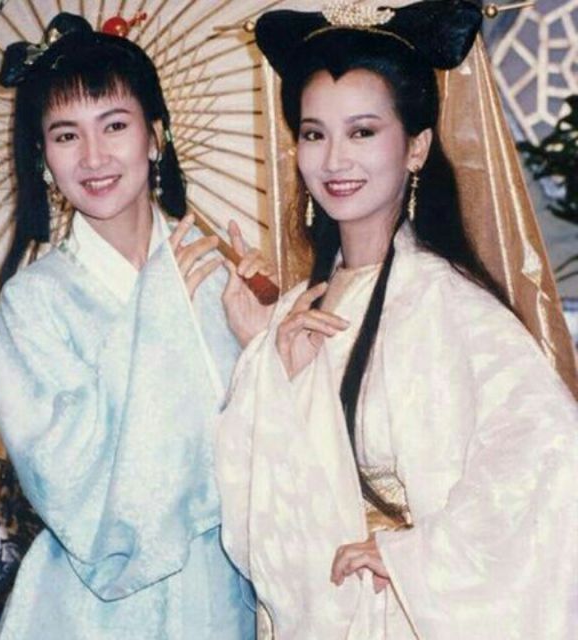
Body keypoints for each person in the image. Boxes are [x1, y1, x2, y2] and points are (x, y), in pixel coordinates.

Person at [216, 2, 578, 639]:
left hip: (407, 614)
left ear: (417, 146)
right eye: (314, 134)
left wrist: (414, 555)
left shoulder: (451, 305)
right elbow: (256, 505)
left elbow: (550, 457)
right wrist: (267, 364)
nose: (334, 160)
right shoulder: (300, 308)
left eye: (362, 132)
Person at [0, 12, 267, 639]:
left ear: (155, 136)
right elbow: (66, 478)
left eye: (114, 125)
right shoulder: (33, 304)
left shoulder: (221, 276)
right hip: (92, 606)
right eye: (66, 135)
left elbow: (272, 455)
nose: (93, 157)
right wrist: (160, 312)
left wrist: (264, 351)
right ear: (43, 158)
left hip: (226, 589)